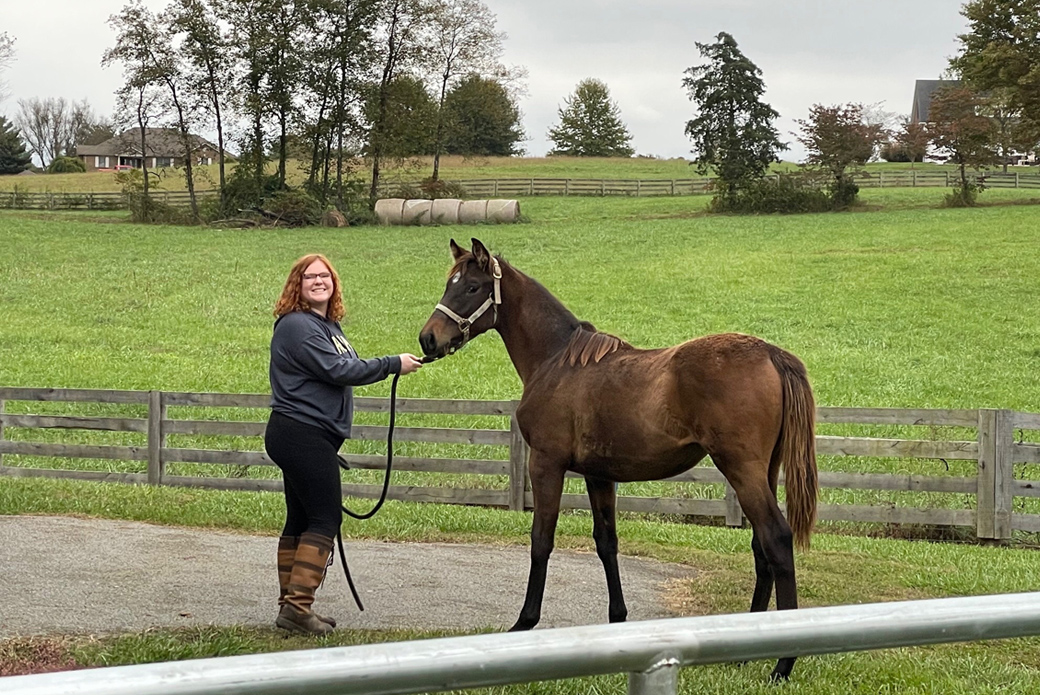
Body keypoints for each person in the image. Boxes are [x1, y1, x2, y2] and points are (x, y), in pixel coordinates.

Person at [264, 253, 422, 635]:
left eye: (325, 275)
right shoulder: (297, 326)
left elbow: (340, 366)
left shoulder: (327, 326)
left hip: (304, 433)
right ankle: (298, 608)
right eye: (309, 276)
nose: (319, 281)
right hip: (301, 432)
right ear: (296, 285)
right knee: (324, 518)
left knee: (301, 519)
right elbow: (338, 371)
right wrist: (391, 364)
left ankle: (291, 606)